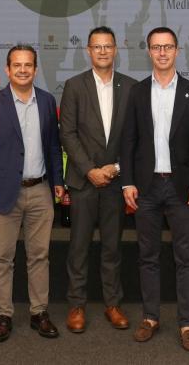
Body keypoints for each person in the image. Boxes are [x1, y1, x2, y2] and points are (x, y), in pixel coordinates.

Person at [120, 26, 189, 351]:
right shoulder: (137, 91)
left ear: (176, 51)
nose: (162, 52)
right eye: (156, 47)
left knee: (186, 258)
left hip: (181, 187)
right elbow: (128, 140)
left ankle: (186, 323)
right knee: (148, 256)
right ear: (149, 51)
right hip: (146, 188)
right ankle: (150, 317)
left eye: (167, 47)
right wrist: (128, 181)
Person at [0, 45, 64, 342]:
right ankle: (3, 315)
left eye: (28, 65)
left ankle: (39, 313)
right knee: (2, 257)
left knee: (40, 255)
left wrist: (58, 181)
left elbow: (53, 146)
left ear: (35, 69)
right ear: (7, 69)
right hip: (2, 193)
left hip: (40, 190)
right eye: (17, 65)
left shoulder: (47, 101)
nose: (23, 70)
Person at [60, 26, 136, 333]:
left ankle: (112, 304)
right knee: (78, 248)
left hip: (115, 182)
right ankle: (76, 305)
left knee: (112, 249)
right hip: (83, 181)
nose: (103, 51)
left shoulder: (131, 87)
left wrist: (115, 168)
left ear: (116, 50)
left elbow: (134, 137)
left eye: (108, 46)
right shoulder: (74, 85)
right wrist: (90, 170)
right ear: (88, 51)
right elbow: (67, 133)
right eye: (97, 46)